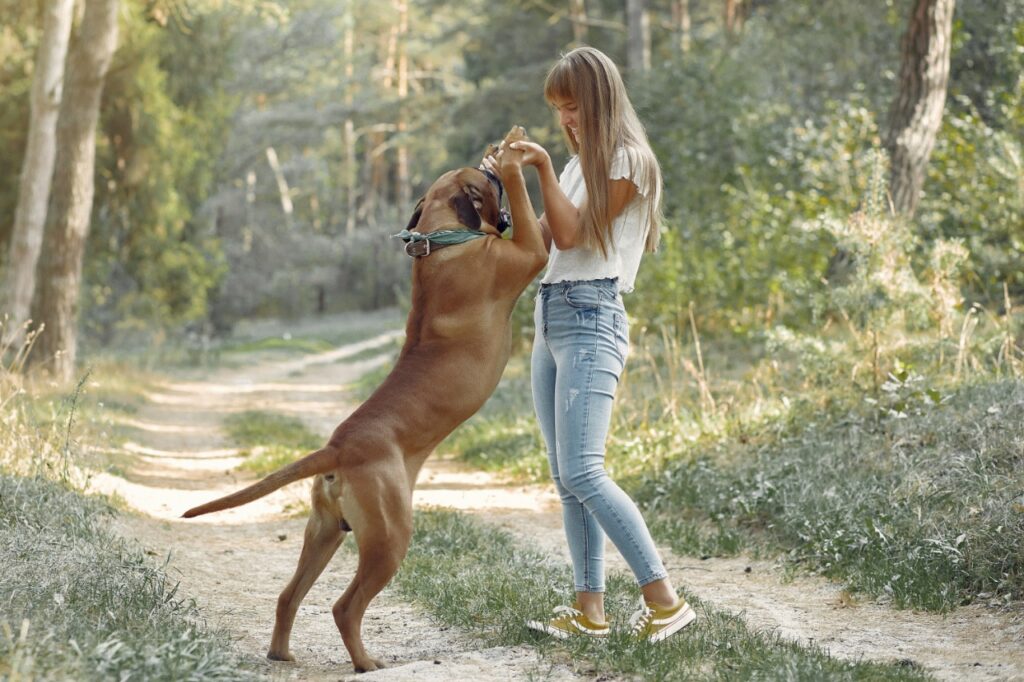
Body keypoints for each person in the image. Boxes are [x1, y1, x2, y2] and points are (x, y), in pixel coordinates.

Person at [483, 46, 695, 643]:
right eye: (557, 109)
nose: (565, 120)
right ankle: (589, 611)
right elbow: (542, 242)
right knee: (565, 475)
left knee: (584, 469)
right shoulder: (576, 168)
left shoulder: (631, 162)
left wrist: (544, 167)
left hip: (593, 316)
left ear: (600, 99)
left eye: (572, 106)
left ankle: (665, 601)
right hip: (552, 318)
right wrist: (508, 182)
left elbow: (575, 235)